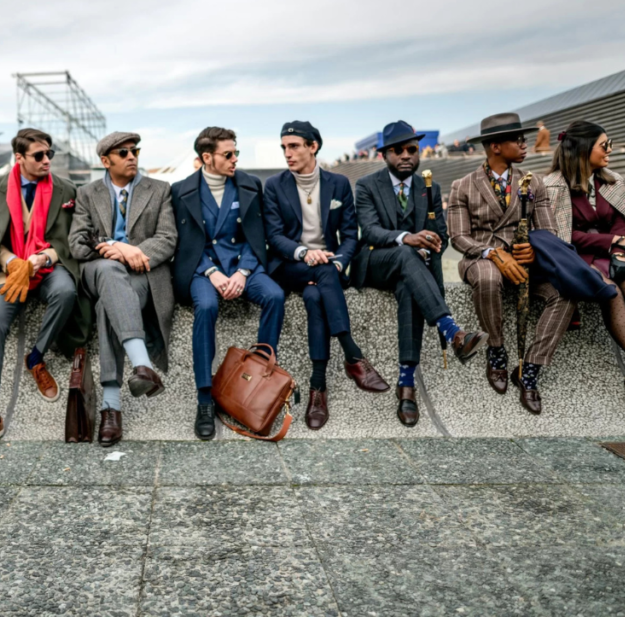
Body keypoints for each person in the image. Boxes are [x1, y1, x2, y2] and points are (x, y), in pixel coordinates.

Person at [351, 121, 488, 426]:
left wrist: (432, 241)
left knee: (408, 288)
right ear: (384, 154)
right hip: (375, 261)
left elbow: (441, 233)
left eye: (411, 149)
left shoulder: (431, 187)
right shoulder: (367, 185)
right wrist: (407, 238)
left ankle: (406, 386)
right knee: (404, 252)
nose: (406, 155)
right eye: (397, 150)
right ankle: (452, 331)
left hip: (410, 268)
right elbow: (371, 231)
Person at [263, 121, 388, 431]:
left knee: (315, 294)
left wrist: (339, 261)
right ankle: (353, 355)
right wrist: (305, 253)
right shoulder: (275, 186)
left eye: (294, 146)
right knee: (318, 274)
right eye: (284, 147)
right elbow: (275, 237)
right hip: (290, 266)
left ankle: (318, 387)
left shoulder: (338, 184)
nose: (287, 153)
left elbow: (349, 235)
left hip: (328, 270)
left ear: (313, 146)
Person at [447, 113, 575, 414]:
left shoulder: (534, 182)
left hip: (524, 262)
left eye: (523, 138)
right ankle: (496, 349)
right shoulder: (462, 186)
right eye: (516, 139)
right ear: (495, 146)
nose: (524, 143)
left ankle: (530, 367)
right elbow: (458, 237)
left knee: (565, 292)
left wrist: (534, 248)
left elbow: (547, 231)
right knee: (489, 278)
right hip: (480, 259)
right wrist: (491, 253)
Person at [0, 128, 84, 452]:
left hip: (49, 267)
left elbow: (70, 240)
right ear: (18, 158)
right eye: (39, 155)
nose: (47, 159)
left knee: (66, 292)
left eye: (49, 153)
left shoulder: (66, 189)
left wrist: (43, 256)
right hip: (8, 273)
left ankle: (35, 358)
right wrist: (10, 263)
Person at [171, 126, 286, 440]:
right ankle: (204, 398)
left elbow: (257, 236)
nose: (235, 159)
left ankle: (260, 376)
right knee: (206, 305)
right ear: (207, 157)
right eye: (228, 154)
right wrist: (212, 272)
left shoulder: (250, 185)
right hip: (203, 269)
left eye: (236, 152)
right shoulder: (181, 190)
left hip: (242, 265)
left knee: (275, 296)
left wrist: (243, 272)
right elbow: (185, 243)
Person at [68, 132, 177, 446]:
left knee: (108, 304)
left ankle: (110, 408)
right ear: (106, 161)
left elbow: (167, 239)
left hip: (142, 274)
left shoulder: (159, 189)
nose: (132, 156)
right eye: (124, 152)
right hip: (98, 269)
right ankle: (141, 364)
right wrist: (116, 247)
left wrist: (135, 253)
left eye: (135, 151)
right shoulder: (87, 193)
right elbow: (77, 243)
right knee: (109, 270)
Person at [545, 122, 625, 398]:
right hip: (576, 257)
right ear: (583, 149)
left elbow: (623, 222)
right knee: (612, 292)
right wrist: (611, 241)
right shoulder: (553, 186)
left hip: (614, 255)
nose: (610, 150)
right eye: (604, 145)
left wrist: (617, 248)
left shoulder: (613, 180)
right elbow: (564, 234)